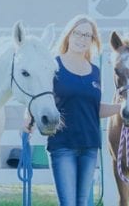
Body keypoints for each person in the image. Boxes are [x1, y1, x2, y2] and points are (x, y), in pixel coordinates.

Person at [25, 15, 120, 206]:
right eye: (78, 33)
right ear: (69, 35)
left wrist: (121, 108)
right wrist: (28, 118)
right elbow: (38, 95)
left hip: (89, 146)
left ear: (92, 41)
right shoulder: (53, 66)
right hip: (62, 145)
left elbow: (94, 109)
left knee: (82, 202)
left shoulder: (95, 71)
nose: (81, 39)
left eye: (87, 35)